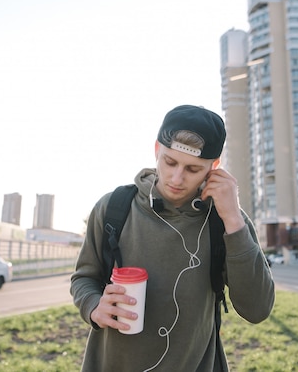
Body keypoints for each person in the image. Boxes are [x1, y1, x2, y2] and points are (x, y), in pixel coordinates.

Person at [71, 104, 275, 371]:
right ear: (157, 150)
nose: (177, 178)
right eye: (170, 162)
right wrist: (93, 306)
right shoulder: (113, 208)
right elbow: (84, 278)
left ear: (214, 167)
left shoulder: (225, 220)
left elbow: (257, 309)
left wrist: (234, 221)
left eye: (192, 169)